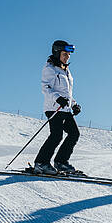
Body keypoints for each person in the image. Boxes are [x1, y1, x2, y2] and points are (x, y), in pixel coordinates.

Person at [33, 40, 82, 175]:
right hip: (53, 108)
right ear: (57, 53)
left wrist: (74, 104)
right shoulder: (50, 68)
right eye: (64, 54)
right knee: (56, 135)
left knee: (74, 134)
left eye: (68, 54)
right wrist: (57, 98)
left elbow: (67, 93)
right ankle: (41, 163)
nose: (67, 57)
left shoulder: (66, 71)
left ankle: (61, 161)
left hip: (65, 109)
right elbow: (45, 88)